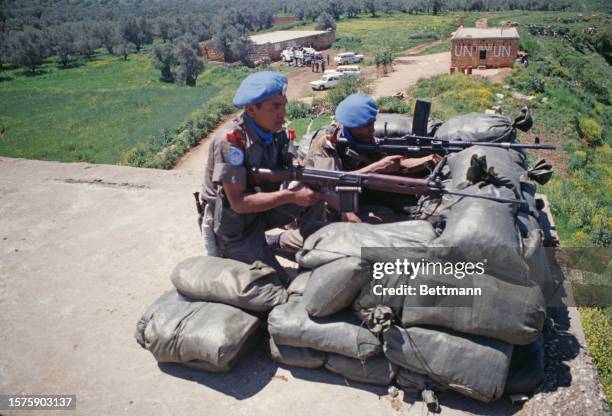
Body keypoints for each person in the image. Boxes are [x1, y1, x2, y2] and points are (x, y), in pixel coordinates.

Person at [200, 71, 324, 284]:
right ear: (250, 109)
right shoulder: (231, 142)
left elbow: (291, 164)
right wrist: (291, 196)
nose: (282, 113)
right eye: (275, 107)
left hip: (261, 210)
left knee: (314, 191)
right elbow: (238, 203)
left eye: (283, 105)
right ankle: (247, 249)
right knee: (280, 284)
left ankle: (310, 252)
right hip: (234, 227)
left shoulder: (276, 132)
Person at [303, 93, 440, 223]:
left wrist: (426, 160)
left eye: (372, 123)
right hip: (324, 206)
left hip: (354, 195)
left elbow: (396, 162)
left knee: (404, 205)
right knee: (386, 217)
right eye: (365, 126)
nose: (372, 130)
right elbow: (328, 184)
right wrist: (376, 168)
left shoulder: (363, 139)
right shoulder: (327, 140)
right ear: (351, 126)